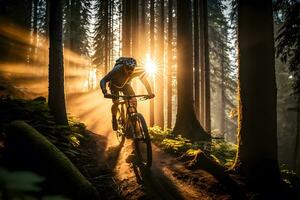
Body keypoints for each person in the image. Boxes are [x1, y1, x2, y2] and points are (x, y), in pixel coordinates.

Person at [100, 57, 155, 131]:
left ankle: (132, 120)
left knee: (134, 100)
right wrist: (105, 91)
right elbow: (103, 80)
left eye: (132, 69)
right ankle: (114, 119)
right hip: (114, 85)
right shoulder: (116, 70)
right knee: (116, 102)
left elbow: (145, 81)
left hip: (126, 85)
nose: (130, 71)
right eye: (128, 68)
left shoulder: (138, 70)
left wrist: (150, 93)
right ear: (123, 67)